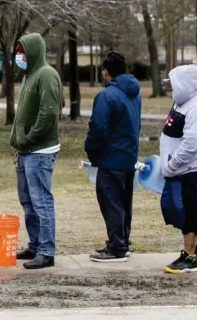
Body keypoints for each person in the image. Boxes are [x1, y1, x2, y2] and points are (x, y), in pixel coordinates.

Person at [11, 33, 62, 269]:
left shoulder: (46, 75)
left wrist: (30, 137)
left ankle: (46, 251)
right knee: (27, 201)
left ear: (33, 52)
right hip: (25, 150)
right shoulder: (29, 75)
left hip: (39, 151)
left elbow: (49, 113)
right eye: (18, 52)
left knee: (41, 201)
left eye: (22, 52)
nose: (19, 56)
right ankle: (34, 245)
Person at [84, 51, 141, 262]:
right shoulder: (134, 93)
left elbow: (98, 128)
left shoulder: (106, 96)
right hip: (128, 157)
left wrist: (90, 148)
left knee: (111, 203)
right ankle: (122, 242)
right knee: (124, 203)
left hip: (110, 159)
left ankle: (116, 247)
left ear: (106, 72)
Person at [159, 64, 197, 273]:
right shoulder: (182, 102)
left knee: (188, 210)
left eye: (174, 85)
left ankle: (189, 257)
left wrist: (172, 164)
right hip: (176, 170)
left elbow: (191, 145)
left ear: (184, 85)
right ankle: (196, 246)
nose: (171, 90)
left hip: (189, 170)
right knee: (175, 208)